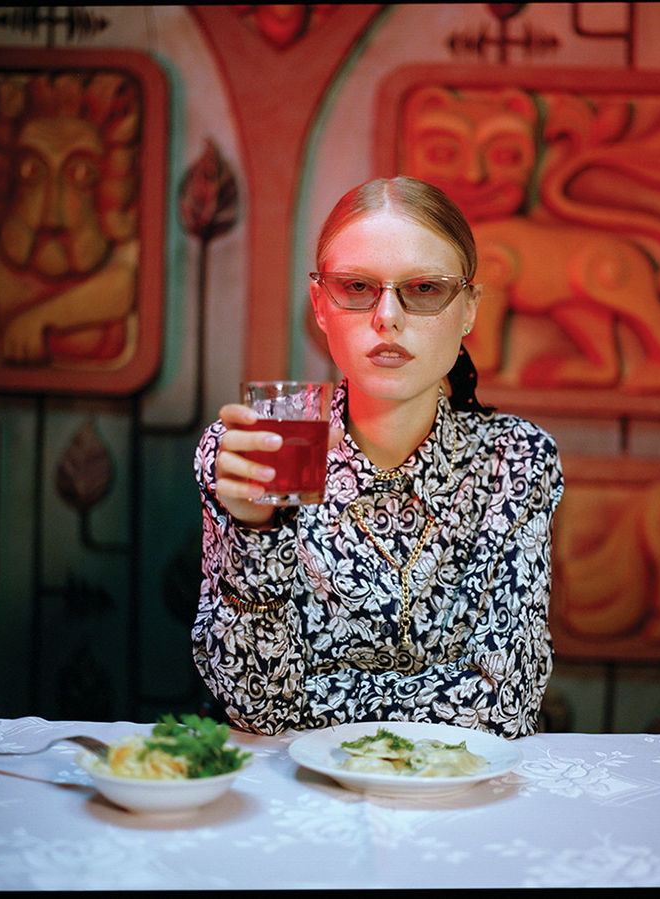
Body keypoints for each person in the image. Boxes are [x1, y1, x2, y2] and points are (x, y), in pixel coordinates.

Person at [192, 176, 563, 738]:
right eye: (358, 287)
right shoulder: (264, 445)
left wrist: (314, 698)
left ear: (469, 309)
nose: (387, 317)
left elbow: (503, 704)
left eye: (424, 289)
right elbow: (256, 704)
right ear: (320, 303)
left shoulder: (515, 460)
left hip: (459, 796)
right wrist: (253, 531)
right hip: (299, 795)